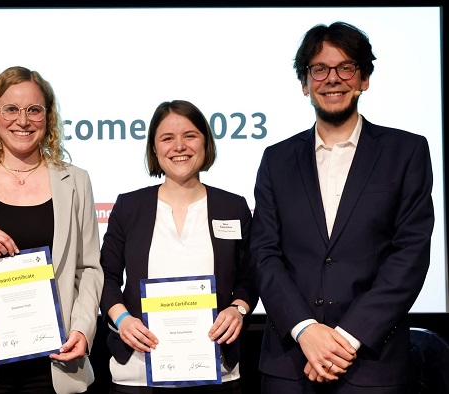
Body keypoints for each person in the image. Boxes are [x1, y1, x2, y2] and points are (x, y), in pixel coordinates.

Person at [251, 21, 434, 393]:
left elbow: (410, 256)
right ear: (305, 83)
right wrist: (305, 330)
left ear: (363, 78)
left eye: (345, 67)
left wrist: (347, 339)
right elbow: (263, 253)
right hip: (290, 364)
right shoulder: (277, 159)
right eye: (319, 69)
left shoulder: (406, 152)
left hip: (372, 365)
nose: (332, 79)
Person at [0, 66, 103, 394]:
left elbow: (90, 269)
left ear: (48, 117)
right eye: (11, 109)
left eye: (33, 110)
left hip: (56, 358)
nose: (22, 121)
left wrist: (83, 329)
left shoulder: (75, 181)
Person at [100, 100, 258, 394]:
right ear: (154, 148)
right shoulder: (129, 206)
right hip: (137, 372)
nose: (179, 146)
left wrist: (239, 309)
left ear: (205, 142)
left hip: (216, 370)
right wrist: (122, 319)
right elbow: (106, 277)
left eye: (190, 135)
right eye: (167, 138)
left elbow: (251, 276)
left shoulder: (233, 206)